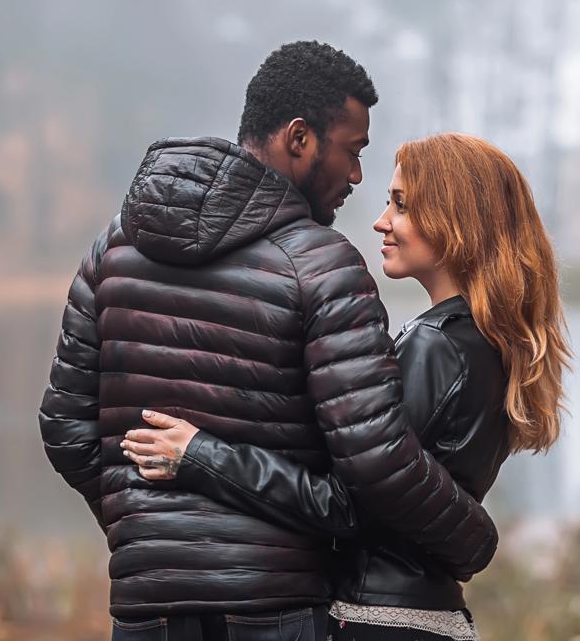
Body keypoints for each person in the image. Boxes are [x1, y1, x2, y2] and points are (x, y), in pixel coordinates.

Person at [38, 42, 498, 641]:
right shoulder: (325, 266)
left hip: (144, 609)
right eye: (351, 152)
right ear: (301, 138)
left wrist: (145, 528)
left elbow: (64, 428)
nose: (356, 176)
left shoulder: (113, 250)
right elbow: (373, 463)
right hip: (275, 609)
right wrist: (475, 538)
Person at [122, 133, 571, 640]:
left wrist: (201, 455)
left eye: (401, 205)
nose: (382, 221)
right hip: (427, 618)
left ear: (457, 222)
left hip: (376, 620)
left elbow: (346, 503)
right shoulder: (485, 344)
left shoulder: (435, 346)